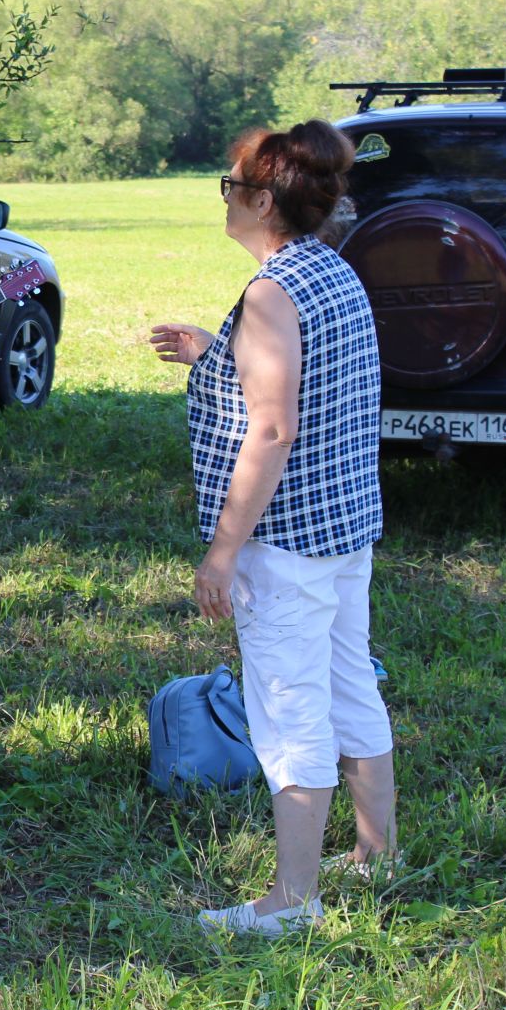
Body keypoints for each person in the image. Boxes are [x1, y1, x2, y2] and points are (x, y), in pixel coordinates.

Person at [150, 120, 398, 937]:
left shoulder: (271, 292)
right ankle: (375, 856)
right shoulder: (330, 270)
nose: (225, 196)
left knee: (290, 709)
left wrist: (222, 551)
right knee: (349, 686)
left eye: (230, 185)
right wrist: (212, 352)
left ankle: (292, 902)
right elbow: (302, 378)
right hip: (345, 527)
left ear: (262, 201)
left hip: (285, 539)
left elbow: (272, 429)